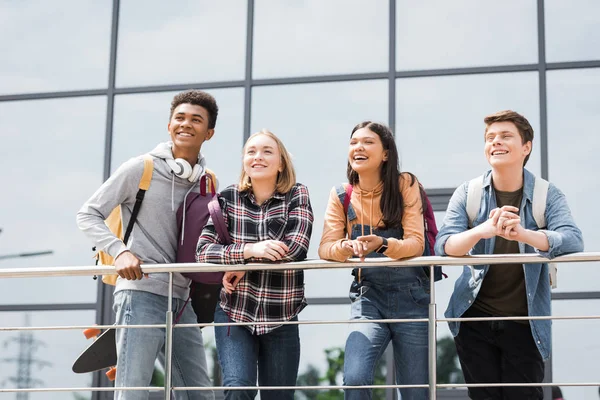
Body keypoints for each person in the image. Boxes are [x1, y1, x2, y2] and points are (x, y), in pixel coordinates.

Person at [77, 90, 219, 400]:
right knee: (133, 391)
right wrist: (120, 251)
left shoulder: (207, 182)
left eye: (196, 120)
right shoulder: (141, 168)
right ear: (169, 125)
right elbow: (88, 214)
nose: (186, 124)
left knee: (201, 395)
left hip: (183, 301)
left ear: (209, 133)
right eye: (179, 118)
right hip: (140, 295)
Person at [436, 110, 584, 400]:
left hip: (525, 323)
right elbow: (444, 245)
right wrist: (484, 230)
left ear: (526, 147)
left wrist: (524, 234)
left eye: (505, 136)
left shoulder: (546, 194)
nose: (496, 142)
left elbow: (573, 239)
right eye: (490, 137)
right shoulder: (469, 193)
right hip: (473, 320)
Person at [196, 129, 314, 400]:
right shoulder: (227, 199)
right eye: (251, 151)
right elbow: (203, 251)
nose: (257, 157)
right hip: (234, 312)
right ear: (244, 161)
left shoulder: (298, 194)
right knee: (238, 388)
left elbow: (296, 248)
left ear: (281, 162)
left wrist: (244, 264)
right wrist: (249, 251)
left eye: (267, 151)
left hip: (281, 315)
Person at [318, 121, 429, 400]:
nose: (358, 147)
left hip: (412, 298)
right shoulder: (341, 195)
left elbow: (417, 245)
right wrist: (345, 246)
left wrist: (383, 244)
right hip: (368, 297)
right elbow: (325, 248)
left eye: (368, 142)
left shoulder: (405, 184)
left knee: (414, 391)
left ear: (386, 154)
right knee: (355, 378)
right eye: (354, 142)